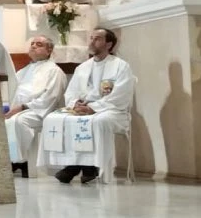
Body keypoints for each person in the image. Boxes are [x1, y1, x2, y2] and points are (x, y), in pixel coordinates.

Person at [42, 27, 136, 184]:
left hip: (112, 110)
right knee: (54, 118)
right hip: (84, 109)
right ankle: (78, 166)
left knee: (97, 121)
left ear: (109, 44)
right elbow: (71, 92)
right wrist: (75, 103)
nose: (92, 42)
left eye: (97, 39)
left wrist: (93, 108)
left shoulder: (121, 66)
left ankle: (87, 167)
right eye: (91, 38)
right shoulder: (82, 67)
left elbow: (121, 96)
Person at [4, 35, 67, 177]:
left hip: (43, 111)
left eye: (39, 44)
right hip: (22, 110)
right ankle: (15, 159)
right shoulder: (23, 71)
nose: (33, 46)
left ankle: (21, 161)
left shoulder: (54, 71)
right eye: (32, 43)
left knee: (18, 121)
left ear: (49, 50)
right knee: (6, 121)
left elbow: (51, 98)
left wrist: (22, 107)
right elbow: (13, 93)